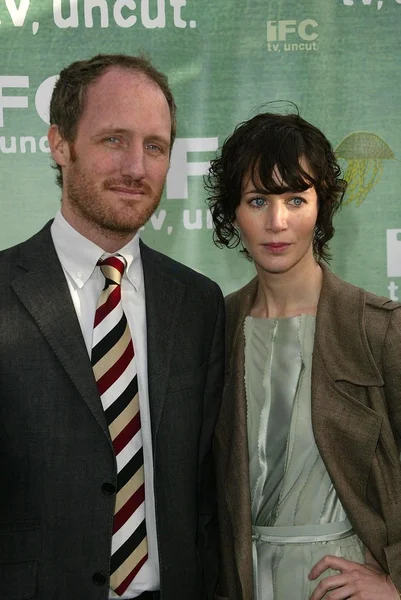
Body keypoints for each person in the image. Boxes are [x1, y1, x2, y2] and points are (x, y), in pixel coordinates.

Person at [0, 54, 224, 600]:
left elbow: (209, 490)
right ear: (59, 144)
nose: (136, 167)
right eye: (113, 140)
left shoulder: (199, 303)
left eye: (155, 146)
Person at [206, 111, 401, 600]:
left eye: (296, 198)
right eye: (258, 200)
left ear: (323, 207)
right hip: (243, 582)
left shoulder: (379, 328)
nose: (278, 222)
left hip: (340, 585)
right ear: (233, 213)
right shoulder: (215, 327)